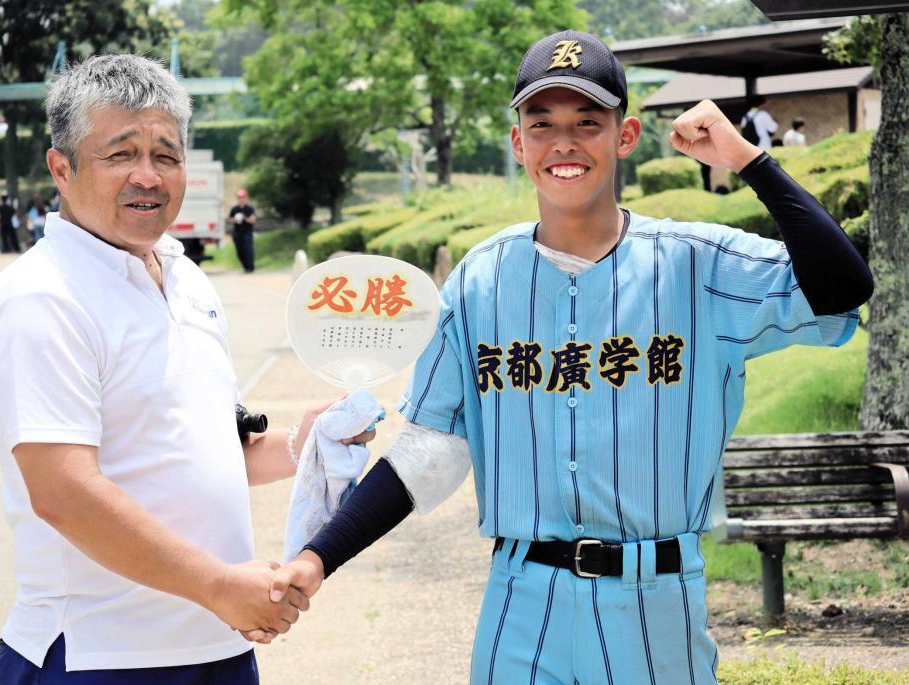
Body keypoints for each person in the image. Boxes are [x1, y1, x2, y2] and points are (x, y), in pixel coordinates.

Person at [266, 30, 874, 683]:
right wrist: (318, 557)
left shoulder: (698, 264)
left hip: (654, 603)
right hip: (522, 601)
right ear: (517, 143)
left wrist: (749, 160)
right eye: (542, 123)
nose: (564, 142)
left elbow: (844, 287)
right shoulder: (479, 281)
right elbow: (431, 449)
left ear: (625, 135)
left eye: (587, 121)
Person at [0, 54, 369, 684]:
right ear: (61, 168)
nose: (148, 176)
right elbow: (63, 492)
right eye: (120, 154)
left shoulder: (185, 278)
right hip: (99, 656)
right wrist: (219, 586)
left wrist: (305, 442)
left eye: (166, 155)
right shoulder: (42, 296)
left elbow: (204, 447)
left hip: (216, 647)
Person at [229, 188, 257, 273]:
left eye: (242, 197)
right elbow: (230, 219)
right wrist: (235, 220)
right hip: (237, 233)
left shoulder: (249, 208)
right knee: (240, 252)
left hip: (247, 233)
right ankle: (245, 267)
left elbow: (253, 220)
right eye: (239, 197)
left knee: (248, 250)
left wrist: (244, 218)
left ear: (245, 197)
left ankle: (250, 267)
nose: (241, 199)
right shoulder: (234, 209)